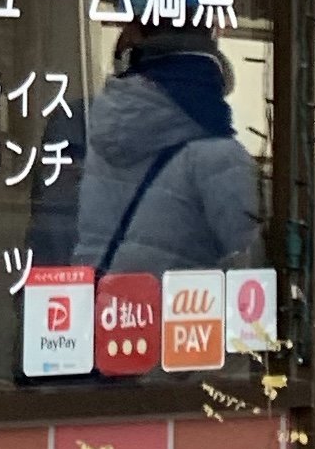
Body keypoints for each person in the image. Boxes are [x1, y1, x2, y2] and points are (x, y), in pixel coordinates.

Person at [71, 25, 264, 273]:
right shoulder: (219, 157)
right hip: (177, 298)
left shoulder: (102, 138)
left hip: (100, 295)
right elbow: (254, 267)